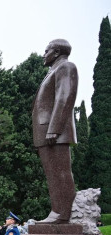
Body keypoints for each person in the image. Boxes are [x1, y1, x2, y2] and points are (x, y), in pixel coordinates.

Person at [33, 39, 78, 224]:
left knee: (60, 173)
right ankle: (57, 211)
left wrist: (54, 129)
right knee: (52, 174)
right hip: (46, 131)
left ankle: (63, 213)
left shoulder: (66, 67)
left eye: (47, 51)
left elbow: (64, 97)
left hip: (54, 132)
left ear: (57, 52)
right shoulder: (53, 70)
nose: (44, 55)